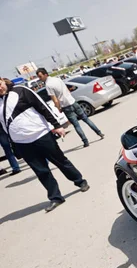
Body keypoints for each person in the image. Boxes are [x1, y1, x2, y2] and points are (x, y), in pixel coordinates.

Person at [0, 78, 90, 212]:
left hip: (41, 135)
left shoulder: (21, 91)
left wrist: (57, 125)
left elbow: (42, 106)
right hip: (22, 143)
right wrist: (13, 143)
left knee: (60, 161)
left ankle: (80, 181)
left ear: (2, 81)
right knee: (41, 171)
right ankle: (55, 197)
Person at [36, 68, 104, 148]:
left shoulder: (48, 85)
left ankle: (85, 141)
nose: (40, 79)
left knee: (76, 125)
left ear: (45, 74)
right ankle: (99, 133)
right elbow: (67, 90)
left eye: (40, 76)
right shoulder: (57, 79)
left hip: (65, 106)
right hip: (73, 102)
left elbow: (55, 99)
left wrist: (59, 108)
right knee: (86, 119)